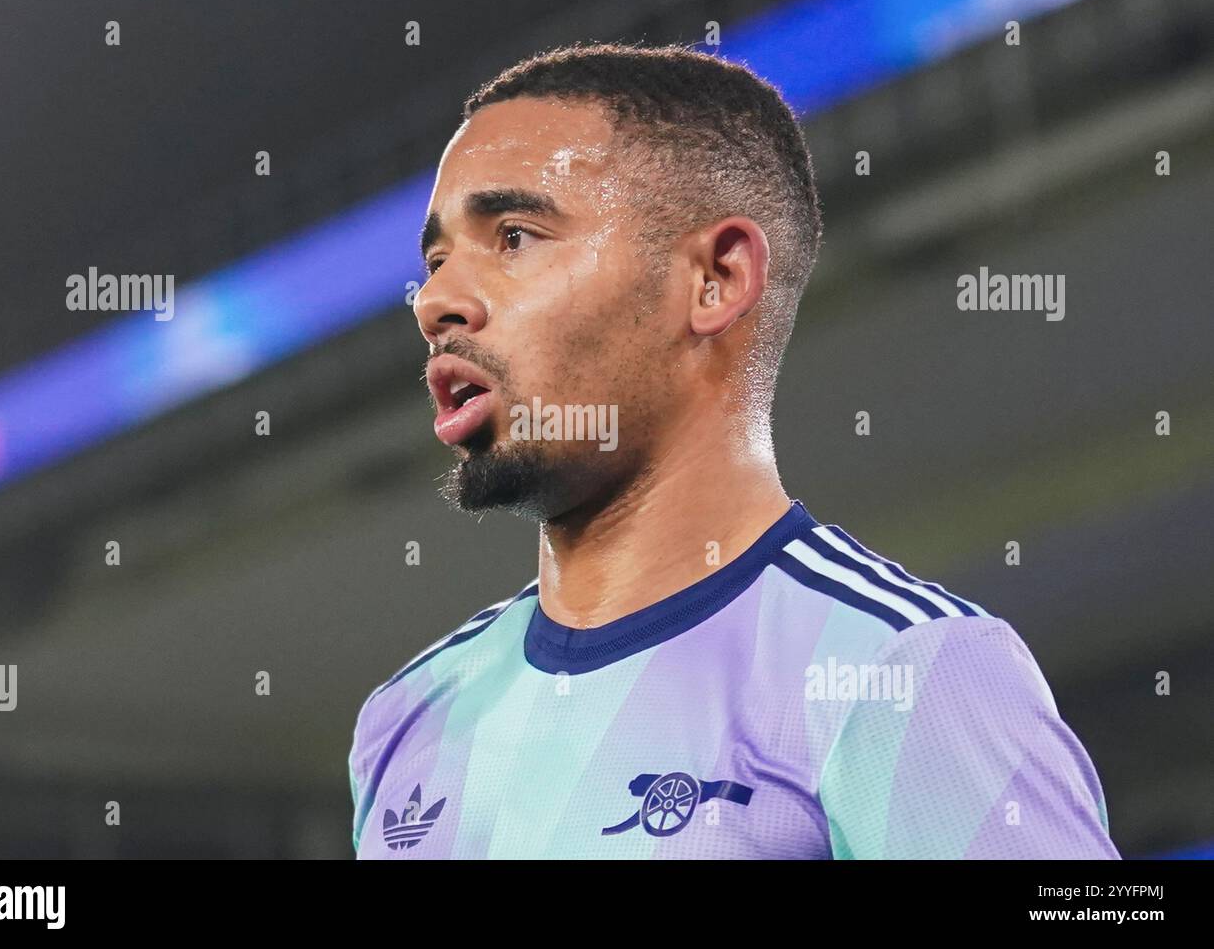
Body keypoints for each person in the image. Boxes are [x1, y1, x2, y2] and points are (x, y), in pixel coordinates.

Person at [349, 43, 1119, 859]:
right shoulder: (409, 718)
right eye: (436, 260)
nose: (436, 301)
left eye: (513, 237)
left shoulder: (901, 674)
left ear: (715, 278)